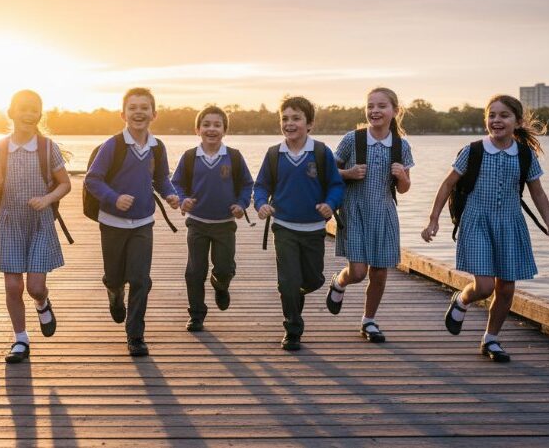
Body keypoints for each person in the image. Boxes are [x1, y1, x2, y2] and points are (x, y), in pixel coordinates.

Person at [421, 94, 549, 362]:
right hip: (476, 222)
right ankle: (462, 300)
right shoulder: (473, 150)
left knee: (506, 287)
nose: (496, 120)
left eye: (504, 116)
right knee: (485, 286)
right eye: (492, 115)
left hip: (510, 224)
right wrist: (433, 219)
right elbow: (448, 184)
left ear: (517, 122)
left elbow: (539, 193)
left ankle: (491, 339)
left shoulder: (524, 154)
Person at [84, 87, 180, 356]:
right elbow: (93, 179)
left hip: (142, 223)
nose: (139, 112)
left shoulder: (157, 147)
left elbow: (161, 179)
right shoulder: (112, 145)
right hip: (112, 223)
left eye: (144, 107)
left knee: (140, 279)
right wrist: (114, 198)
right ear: (123, 114)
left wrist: (171, 195)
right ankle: (114, 293)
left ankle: (135, 335)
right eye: (133, 108)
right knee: (115, 276)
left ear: (154, 113)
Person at [0, 90, 71, 364]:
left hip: (39, 223)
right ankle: (20, 339)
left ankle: (42, 303)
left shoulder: (47, 147)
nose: (29, 113)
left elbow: (65, 184)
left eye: (34, 109)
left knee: (34, 286)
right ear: (10, 112)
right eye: (23, 108)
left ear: (39, 115)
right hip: (9, 221)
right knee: (12, 286)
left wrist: (47, 199)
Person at [254, 96, 344, 351]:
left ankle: (297, 291)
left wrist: (330, 203)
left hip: (314, 229)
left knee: (313, 279)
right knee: (288, 281)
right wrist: (261, 204)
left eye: (296, 118)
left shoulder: (320, 152)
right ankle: (292, 328)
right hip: (283, 227)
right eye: (285, 118)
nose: (289, 123)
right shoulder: (274, 154)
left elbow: (336, 185)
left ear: (310, 123)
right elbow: (261, 186)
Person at [326, 87, 414, 343]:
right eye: (370, 106)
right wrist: (348, 173)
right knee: (358, 272)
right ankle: (339, 282)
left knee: (379, 272)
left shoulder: (401, 145)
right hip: (354, 211)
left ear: (395, 111)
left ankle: (369, 320)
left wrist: (402, 176)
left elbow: (405, 189)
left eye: (382, 106)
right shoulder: (352, 139)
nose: (375, 111)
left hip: (384, 212)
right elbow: (328, 172)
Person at [171, 106, 253, 332]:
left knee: (224, 267)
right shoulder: (189, 157)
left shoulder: (234, 157)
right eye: (206, 124)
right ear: (197, 129)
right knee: (195, 271)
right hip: (197, 223)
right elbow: (176, 182)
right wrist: (183, 199)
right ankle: (196, 314)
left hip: (225, 225)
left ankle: (221, 285)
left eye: (217, 125)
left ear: (225, 130)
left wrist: (241, 204)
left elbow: (247, 184)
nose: (211, 129)